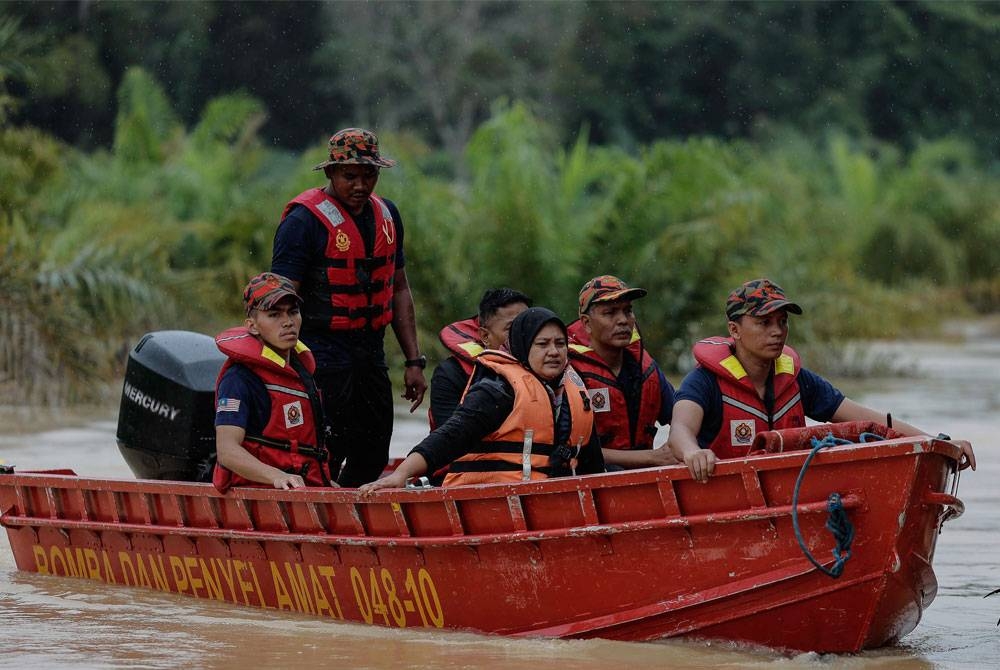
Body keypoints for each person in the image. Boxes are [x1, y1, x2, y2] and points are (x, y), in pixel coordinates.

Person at [668, 278, 978, 482]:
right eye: (764, 323)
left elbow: (870, 421)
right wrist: (693, 453)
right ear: (734, 331)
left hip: (788, 498)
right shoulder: (704, 381)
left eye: (782, 321)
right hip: (725, 497)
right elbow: (681, 429)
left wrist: (936, 442)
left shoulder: (797, 380)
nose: (777, 331)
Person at [271, 128, 427, 487]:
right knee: (327, 448)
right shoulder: (302, 222)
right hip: (319, 352)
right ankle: (320, 523)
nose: (360, 185)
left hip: (370, 352)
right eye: (350, 176)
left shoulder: (388, 214)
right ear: (330, 173)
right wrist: (280, 366)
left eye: (369, 175)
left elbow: (399, 288)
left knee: (373, 452)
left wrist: (414, 361)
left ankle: (353, 519)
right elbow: (279, 300)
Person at [359, 307, 605, 493]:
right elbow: (450, 437)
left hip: (553, 502)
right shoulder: (498, 390)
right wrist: (401, 474)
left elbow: (592, 465)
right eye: (542, 344)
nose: (553, 352)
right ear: (521, 347)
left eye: (560, 344)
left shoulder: (575, 393)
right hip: (490, 503)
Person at [213, 272, 335, 491]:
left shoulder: (301, 373)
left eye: (293, 312)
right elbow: (227, 450)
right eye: (274, 315)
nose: (287, 322)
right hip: (261, 493)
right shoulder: (239, 378)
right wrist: (275, 476)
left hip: (305, 489)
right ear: (252, 325)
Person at [568, 275, 678, 470]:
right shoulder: (568, 371)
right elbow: (574, 448)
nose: (623, 321)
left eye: (628, 311)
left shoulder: (646, 367)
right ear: (586, 323)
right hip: (592, 480)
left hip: (647, 477)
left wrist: (678, 445)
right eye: (610, 313)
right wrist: (651, 458)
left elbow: (682, 419)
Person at [429, 287, 532, 428]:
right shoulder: (451, 373)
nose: (524, 334)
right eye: (511, 328)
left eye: (528, 326)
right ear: (485, 336)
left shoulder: (551, 370)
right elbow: (448, 439)